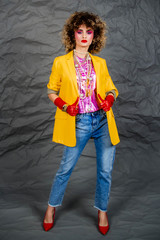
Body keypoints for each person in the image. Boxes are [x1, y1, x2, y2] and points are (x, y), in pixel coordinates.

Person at [43, 11, 120, 235]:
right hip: (79, 122)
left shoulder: (101, 63)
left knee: (105, 171)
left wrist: (109, 98)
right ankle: (50, 209)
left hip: (103, 121)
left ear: (95, 35)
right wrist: (66, 106)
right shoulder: (61, 62)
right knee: (65, 169)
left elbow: (112, 88)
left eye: (89, 31)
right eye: (79, 31)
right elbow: (51, 90)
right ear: (72, 34)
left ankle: (102, 211)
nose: (84, 35)